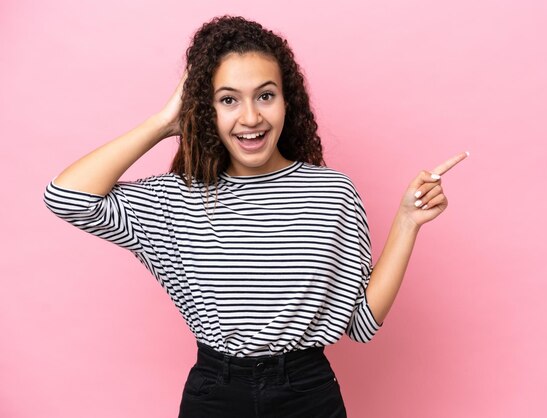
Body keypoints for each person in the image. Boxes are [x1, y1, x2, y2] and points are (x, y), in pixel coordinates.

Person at [43, 15, 467, 418]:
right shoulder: (175, 199)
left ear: (288, 101)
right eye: (228, 100)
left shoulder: (332, 194)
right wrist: (164, 123)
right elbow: (66, 196)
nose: (250, 117)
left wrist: (407, 222)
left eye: (265, 95)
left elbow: (360, 324)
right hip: (215, 393)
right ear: (206, 110)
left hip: (308, 393)